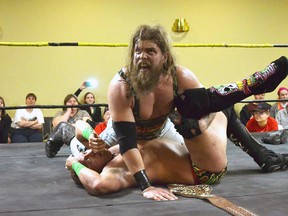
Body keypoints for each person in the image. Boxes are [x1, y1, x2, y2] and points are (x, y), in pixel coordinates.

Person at [77, 25, 288, 201]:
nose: (142, 57)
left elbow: (81, 129)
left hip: (162, 130)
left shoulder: (178, 76)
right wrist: (145, 186)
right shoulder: (120, 89)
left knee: (195, 104)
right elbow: (126, 145)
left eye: (149, 51)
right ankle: (249, 93)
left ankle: (251, 87)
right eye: (138, 51)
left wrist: (87, 140)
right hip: (132, 134)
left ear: (164, 56)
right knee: (189, 119)